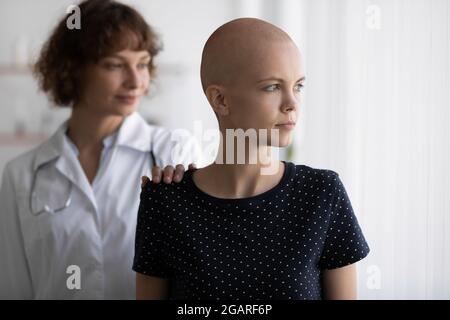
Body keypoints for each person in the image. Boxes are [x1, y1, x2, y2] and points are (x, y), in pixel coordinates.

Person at [133, 18, 370, 300]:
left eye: (299, 86)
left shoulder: (322, 193)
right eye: (272, 87)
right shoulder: (165, 201)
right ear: (220, 99)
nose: (292, 103)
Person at [0, 0, 200, 299]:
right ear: (74, 69)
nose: (135, 81)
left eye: (143, 64)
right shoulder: (21, 175)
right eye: (115, 65)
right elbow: (14, 287)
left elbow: (200, 274)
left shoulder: (175, 152)